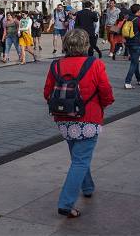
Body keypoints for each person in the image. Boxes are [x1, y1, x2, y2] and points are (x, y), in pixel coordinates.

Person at [43, 29, 114, 219]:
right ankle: (66, 203)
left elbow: (47, 92)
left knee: (78, 156)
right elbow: (105, 90)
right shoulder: (95, 64)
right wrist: (104, 105)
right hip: (88, 118)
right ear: (86, 44)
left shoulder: (56, 65)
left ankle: (88, 187)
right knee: (80, 160)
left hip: (64, 118)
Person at [123, 4, 140, 89]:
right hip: (136, 42)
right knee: (134, 63)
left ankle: (139, 79)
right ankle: (127, 82)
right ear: (138, 11)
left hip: (128, 42)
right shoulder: (139, 19)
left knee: (135, 60)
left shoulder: (128, 18)